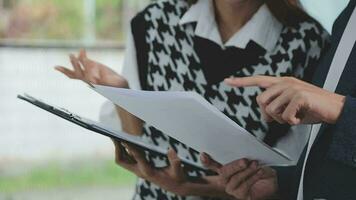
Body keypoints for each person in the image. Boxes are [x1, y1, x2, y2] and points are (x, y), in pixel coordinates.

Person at [55, 0, 329, 199]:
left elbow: (295, 172)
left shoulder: (308, 43)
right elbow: (141, 143)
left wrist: (193, 186)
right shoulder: (153, 24)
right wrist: (119, 91)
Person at [202, 0, 356, 199]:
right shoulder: (348, 18)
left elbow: (338, 114)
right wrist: (284, 183)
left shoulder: (308, 38)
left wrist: (340, 109)